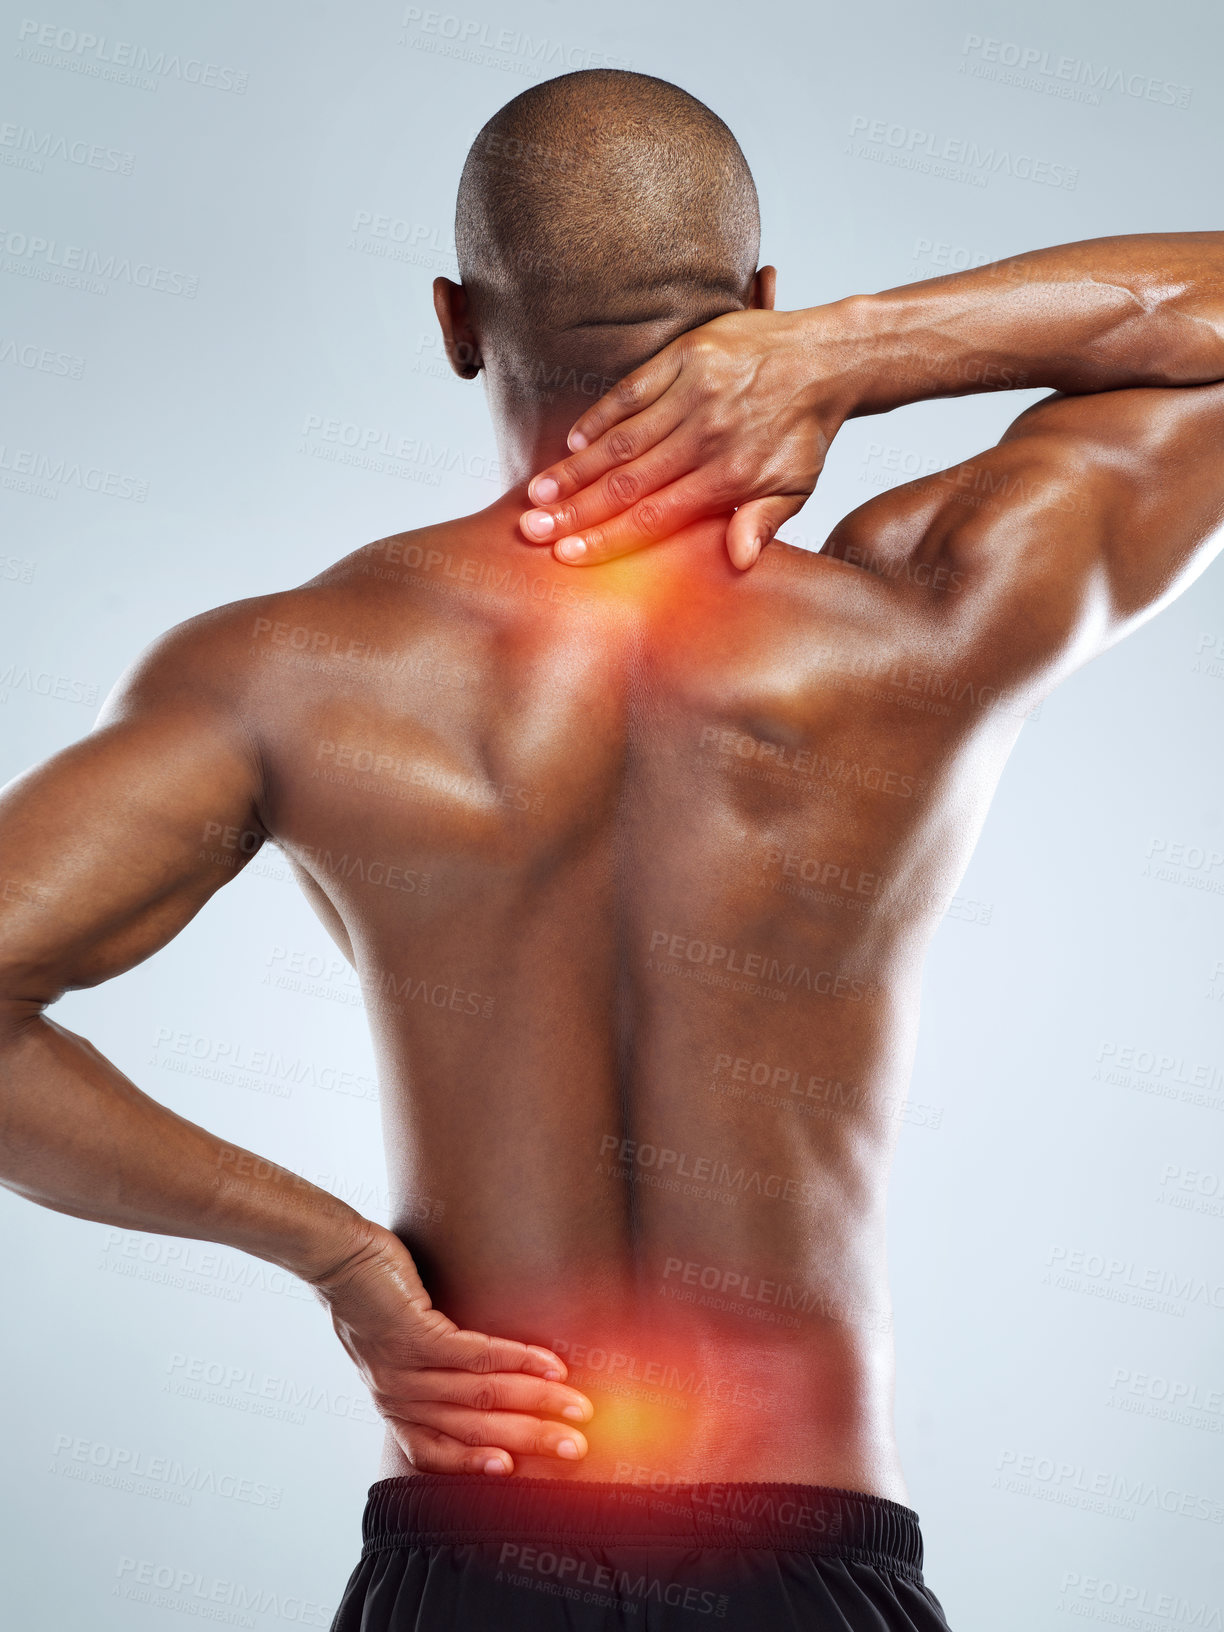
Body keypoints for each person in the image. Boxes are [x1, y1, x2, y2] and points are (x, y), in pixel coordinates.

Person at [1, 68, 1221, 1632]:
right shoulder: (927, 612)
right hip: (809, 1548)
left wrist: (341, 1264)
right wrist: (858, 350)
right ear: (763, 298)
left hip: (473, 1550)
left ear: (455, 322)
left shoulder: (288, 671)